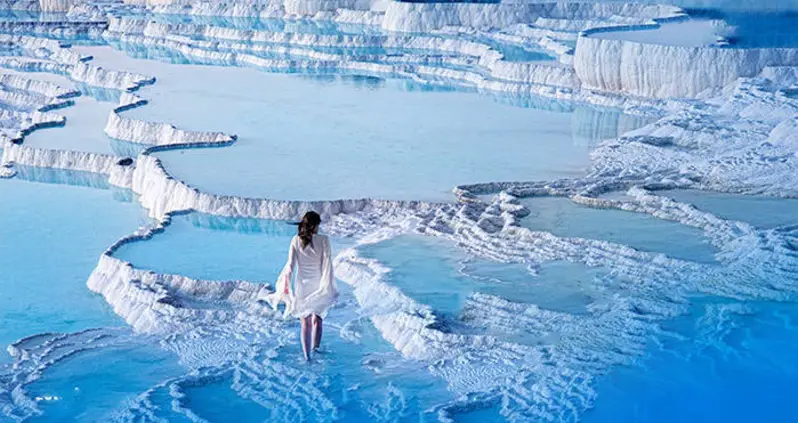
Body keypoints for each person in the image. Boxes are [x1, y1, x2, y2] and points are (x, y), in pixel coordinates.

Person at [265, 211, 338, 361]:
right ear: (315, 225)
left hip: (302, 285)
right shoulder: (324, 240)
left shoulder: (295, 240)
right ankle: (316, 350)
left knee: (305, 321)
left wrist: (286, 285)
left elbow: (290, 266)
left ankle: (307, 357)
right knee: (317, 319)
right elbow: (327, 266)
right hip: (319, 283)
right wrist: (328, 285)